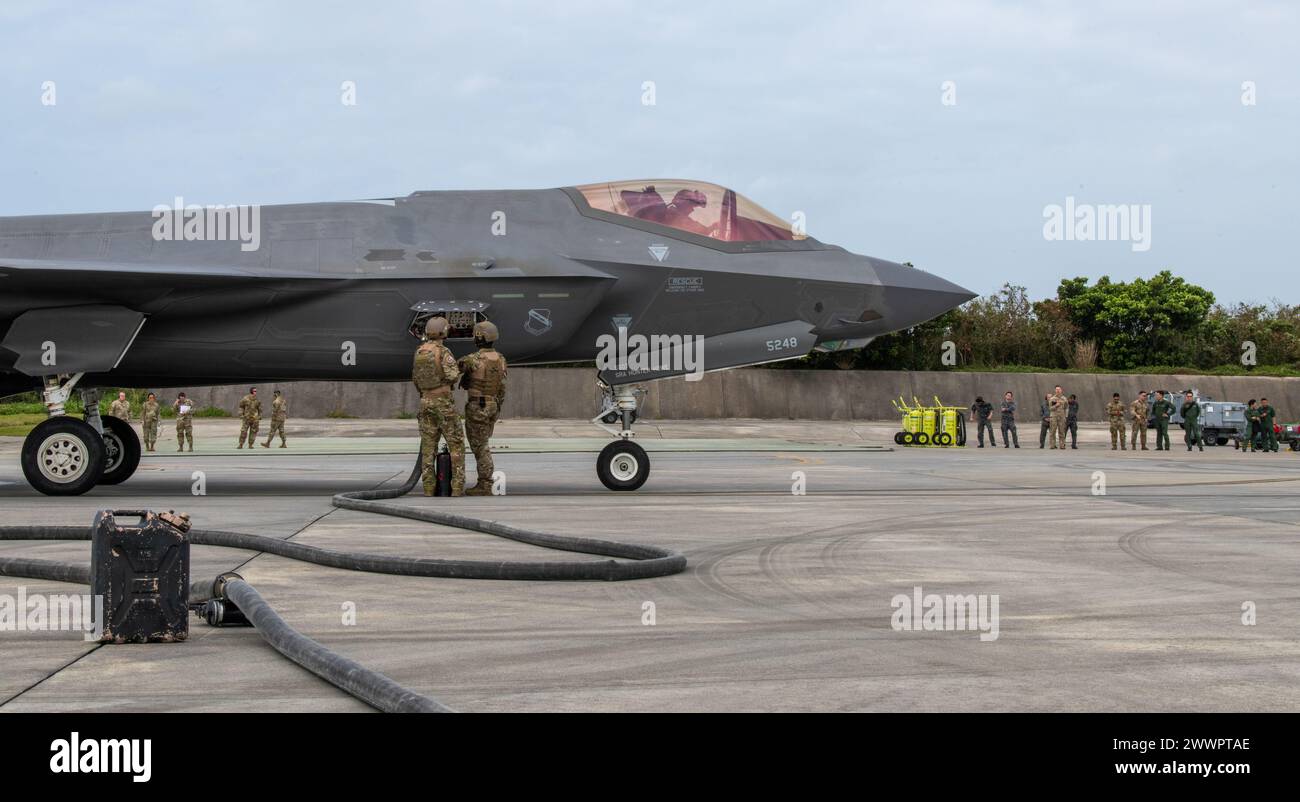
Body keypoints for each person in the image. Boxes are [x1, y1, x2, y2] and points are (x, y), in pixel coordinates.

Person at [413, 317, 465, 496]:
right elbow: (452, 376)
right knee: (456, 444)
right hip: (442, 402)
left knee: (428, 448)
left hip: (425, 401)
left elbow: (415, 378)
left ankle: (428, 488)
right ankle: (456, 487)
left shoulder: (419, 351)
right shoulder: (443, 352)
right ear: (444, 332)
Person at [458, 321, 507, 495]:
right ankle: (485, 481)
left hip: (478, 406)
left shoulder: (472, 359)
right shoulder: (501, 359)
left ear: (479, 337)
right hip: (493, 404)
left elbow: (453, 370)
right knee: (483, 442)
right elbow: (502, 387)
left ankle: (485, 483)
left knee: (480, 446)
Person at [1048, 385, 1068, 449]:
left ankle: (1062, 445)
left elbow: (1066, 408)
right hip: (1054, 417)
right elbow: (1050, 408)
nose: (1058, 390)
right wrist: (1056, 405)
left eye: (1059, 389)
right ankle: (1052, 445)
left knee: (1062, 431)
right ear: (1055, 390)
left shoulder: (1064, 399)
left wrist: (1065, 416)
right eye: (1056, 389)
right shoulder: (1052, 399)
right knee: (1052, 431)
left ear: (1061, 390)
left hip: (1061, 417)